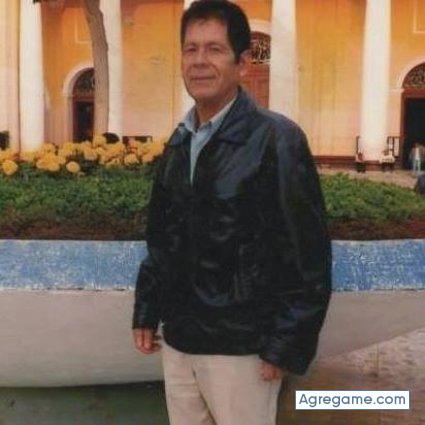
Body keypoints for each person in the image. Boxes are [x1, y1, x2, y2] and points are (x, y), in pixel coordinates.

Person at [132, 1, 332, 424]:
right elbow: (162, 238)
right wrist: (147, 309)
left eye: (214, 49)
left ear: (242, 62)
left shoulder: (276, 140)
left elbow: (307, 254)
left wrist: (285, 345)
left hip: (242, 350)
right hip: (180, 342)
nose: (199, 61)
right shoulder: (179, 142)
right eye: (190, 49)